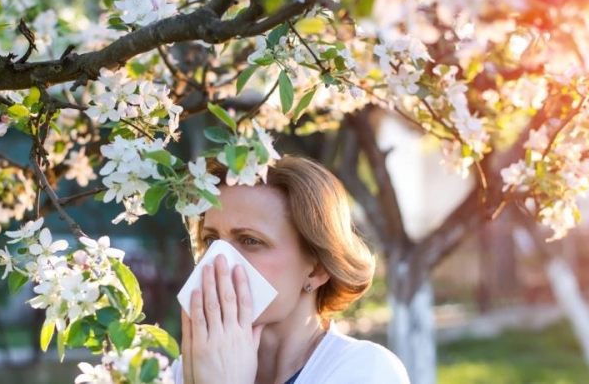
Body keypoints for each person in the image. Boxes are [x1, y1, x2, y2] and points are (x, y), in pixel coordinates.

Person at [172, 156, 410, 383]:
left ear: (317, 268)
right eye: (212, 241)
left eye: (250, 240)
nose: (218, 262)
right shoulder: (183, 372)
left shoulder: (366, 370)